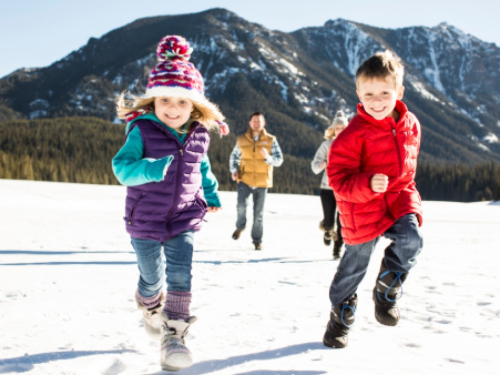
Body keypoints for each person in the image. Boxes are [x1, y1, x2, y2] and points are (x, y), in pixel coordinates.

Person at [112, 35, 228, 371]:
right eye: (165, 100)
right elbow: (122, 168)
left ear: (194, 105)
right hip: (145, 220)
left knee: (181, 275)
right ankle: (149, 304)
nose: (172, 109)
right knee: (152, 279)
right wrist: (149, 169)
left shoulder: (199, 133)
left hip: (184, 217)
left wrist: (212, 193)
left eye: (182, 102)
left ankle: (174, 336)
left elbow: (201, 166)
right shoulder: (142, 131)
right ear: (153, 101)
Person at [322, 51, 424, 348]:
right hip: (362, 207)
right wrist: (367, 183)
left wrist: (406, 194)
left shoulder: (411, 124)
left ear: (399, 92)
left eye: (384, 93)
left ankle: (387, 288)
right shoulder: (352, 135)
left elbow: (409, 164)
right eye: (369, 94)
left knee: (412, 240)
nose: (377, 101)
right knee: (353, 267)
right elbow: (338, 179)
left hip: (398, 198)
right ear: (358, 93)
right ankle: (340, 317)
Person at [229, 112, 283, 250]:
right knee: (241, 206)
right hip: (244, 179)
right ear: (250, 123)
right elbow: (234, 156)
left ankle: (257, 241)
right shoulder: (241, 139)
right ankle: (240, 227)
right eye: (254, 121)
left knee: (258, 214)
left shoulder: (271, 140)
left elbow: (279, 160)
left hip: (262, 182)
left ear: (264, 123)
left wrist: (267, 157)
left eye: (259, 121)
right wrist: (234, 170)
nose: (256, 123)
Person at [311, 111, 348, 259]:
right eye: (337, 127)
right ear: (333, 129)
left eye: (343, 127)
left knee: (342, 222)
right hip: (327, 188)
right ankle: (327, 229)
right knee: (329, 221)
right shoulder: (326, 145)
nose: (340, 130)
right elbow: (314, 166)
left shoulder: (353, 144)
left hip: (345, 189)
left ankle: (337, 250)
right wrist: (323, 164)